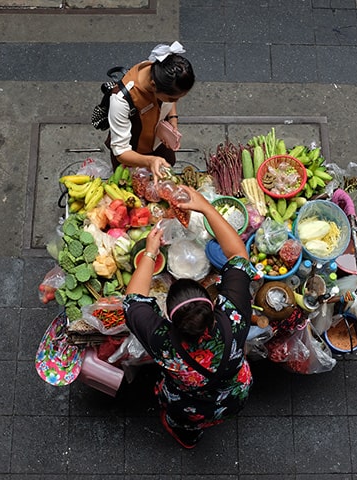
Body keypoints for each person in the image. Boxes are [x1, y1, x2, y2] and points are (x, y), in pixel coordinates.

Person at [123, 186, 255, 448]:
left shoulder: (164, 342)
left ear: (168, 319)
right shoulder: (233, 319)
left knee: (184, 424)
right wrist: (205, 207)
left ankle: (188, 437)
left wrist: (150, 252)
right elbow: (239, 257)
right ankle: (199, 429)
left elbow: (132, 302)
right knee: (222, 409)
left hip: (188, 406)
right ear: (212, 305)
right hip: (235, 395)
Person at [106, 41, 195, 179]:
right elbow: (121, 151)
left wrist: (173, 119)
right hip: (133, 154)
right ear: (154, 86)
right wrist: (150, 161)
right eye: (171, 99)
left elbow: (171, 98)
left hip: (159, 142)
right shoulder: (121, 100)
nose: (174, 103)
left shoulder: (161, 72)